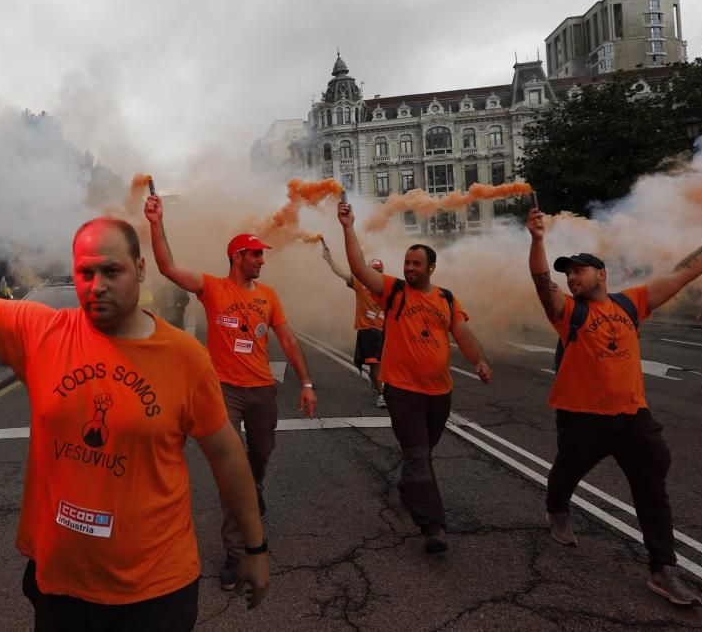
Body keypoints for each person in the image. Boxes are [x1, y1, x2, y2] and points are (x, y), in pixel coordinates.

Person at [0, 139, 269, 630]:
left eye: (111, 271)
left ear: (140, 270)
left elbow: (228, 457)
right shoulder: (42, 332)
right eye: (85, 272)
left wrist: (254, 547)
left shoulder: (185, 357)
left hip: (156, 592)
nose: (96, 285)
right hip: (59, 587)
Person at [526, 204, 702, 606]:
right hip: (582, 418)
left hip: (632, 417)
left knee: (651, 486)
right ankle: (557, 507)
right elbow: (542, 282)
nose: (572, 277)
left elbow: (684, 272)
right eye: (568, 272)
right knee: (566, 473)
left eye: (579, 270)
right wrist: (538, 240)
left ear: (601, 274)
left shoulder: (631, 304)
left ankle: (663, 570)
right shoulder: (569, 312)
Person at [145, 194, 318, 590]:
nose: (261, 260)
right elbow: (168, 267)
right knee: (233, 468)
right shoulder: (212, 287)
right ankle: (236, 549)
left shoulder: (267, 296)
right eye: (255, 254)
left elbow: (288, 340)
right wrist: (156, 223)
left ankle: (251, 498)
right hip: (224, 391)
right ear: (237, 256)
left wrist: (307, 384)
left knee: (259, 461)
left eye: (261, 254)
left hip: (262, 392)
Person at [336, 202, 493, 554]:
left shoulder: (446, 299)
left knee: (422, 455)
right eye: (406, 262)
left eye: (416, 263)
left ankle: (411, 489)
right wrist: (348, 228)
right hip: (403, 391)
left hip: (440, 394)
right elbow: (360, 269)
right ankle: (432, 526)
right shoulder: (392, 291)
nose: (409, 268)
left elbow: (463, 335)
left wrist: (479, 361)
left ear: (430, 268)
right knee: (418, 455)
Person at [321, 244, 386, 408]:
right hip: (368, 331)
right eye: (373, 270)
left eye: (379, 271)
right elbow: (342, 273)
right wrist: (329, 260)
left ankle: (379, 389)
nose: (376, 274)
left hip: (384, 331)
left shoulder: (387, 286)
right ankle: (381, 394)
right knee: (374, 365)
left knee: (378, 366)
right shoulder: (359, 284)